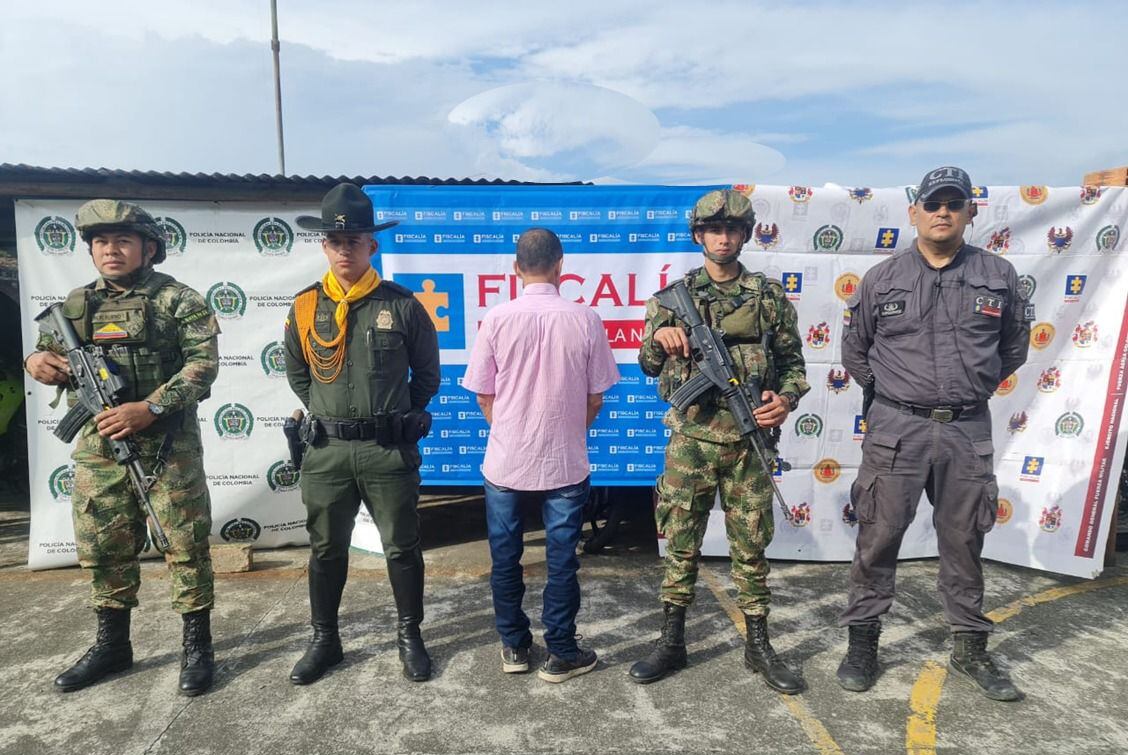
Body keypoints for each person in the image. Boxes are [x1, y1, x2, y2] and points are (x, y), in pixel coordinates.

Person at [837, 166, 1033, 701]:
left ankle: (971, 649)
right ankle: (863, 644)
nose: (942, 212)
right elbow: (856, 350)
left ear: (971, 212)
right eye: (933, 204)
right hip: (896, 430)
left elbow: (1014, 345)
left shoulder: (998, 275)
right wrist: (897, 395)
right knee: (877, 538)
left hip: (967, 429)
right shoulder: (883, 279)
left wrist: (974, 385)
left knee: (965, 540)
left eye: (954, 203)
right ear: (914, 213)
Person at [25, 200, 220, 696]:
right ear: (91, 250)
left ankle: (197, 647)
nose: (111, 250)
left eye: (123, 241)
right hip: (98, 443)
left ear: (148, 249)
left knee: (184, 542)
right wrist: (36, 360)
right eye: (101, 243)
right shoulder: (74, 305)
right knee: (102, 542)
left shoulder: (179, 300)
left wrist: (149, 408)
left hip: (165, 444)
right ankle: (113, 645)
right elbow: (47, 349)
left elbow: (202, 366)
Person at [630, 189, 809, 694]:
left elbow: (794, 365)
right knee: (680, 546)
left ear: (745, 234)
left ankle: (758, 644)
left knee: (750, 548)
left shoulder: (768, 296)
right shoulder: (672, 299)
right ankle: (671, 641)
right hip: (691, 443)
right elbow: (646, 365)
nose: (723, 238)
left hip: (749, 445)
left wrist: (786, 400)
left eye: (733, 229)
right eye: (714, 230)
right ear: (698, 236)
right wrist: (658, 342)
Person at [283, 183, 440, 685]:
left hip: (386, 450)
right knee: (326, 549)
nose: (345, 249)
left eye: (355, 241)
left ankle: (410, 637)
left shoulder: (403, 305)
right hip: (326, 452)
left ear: (373, 245)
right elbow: (298, 374)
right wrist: (329, 412)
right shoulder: (305, 307)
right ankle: (325, 641)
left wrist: (399, 416)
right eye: (335, 240)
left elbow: (427, 375)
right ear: (324, 246)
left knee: (401, 547)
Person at [462, 228, 618, 683]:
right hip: (565, 462)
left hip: (505, 462)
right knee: (561, 559)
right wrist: (565, 432)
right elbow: (595, 399)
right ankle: (562, 652)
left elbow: (484, 396)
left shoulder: (496, 319)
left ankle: (514, 647)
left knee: (505, 557)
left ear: (516, 268)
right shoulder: (585, 319)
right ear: (559, 265)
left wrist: (512, 432)